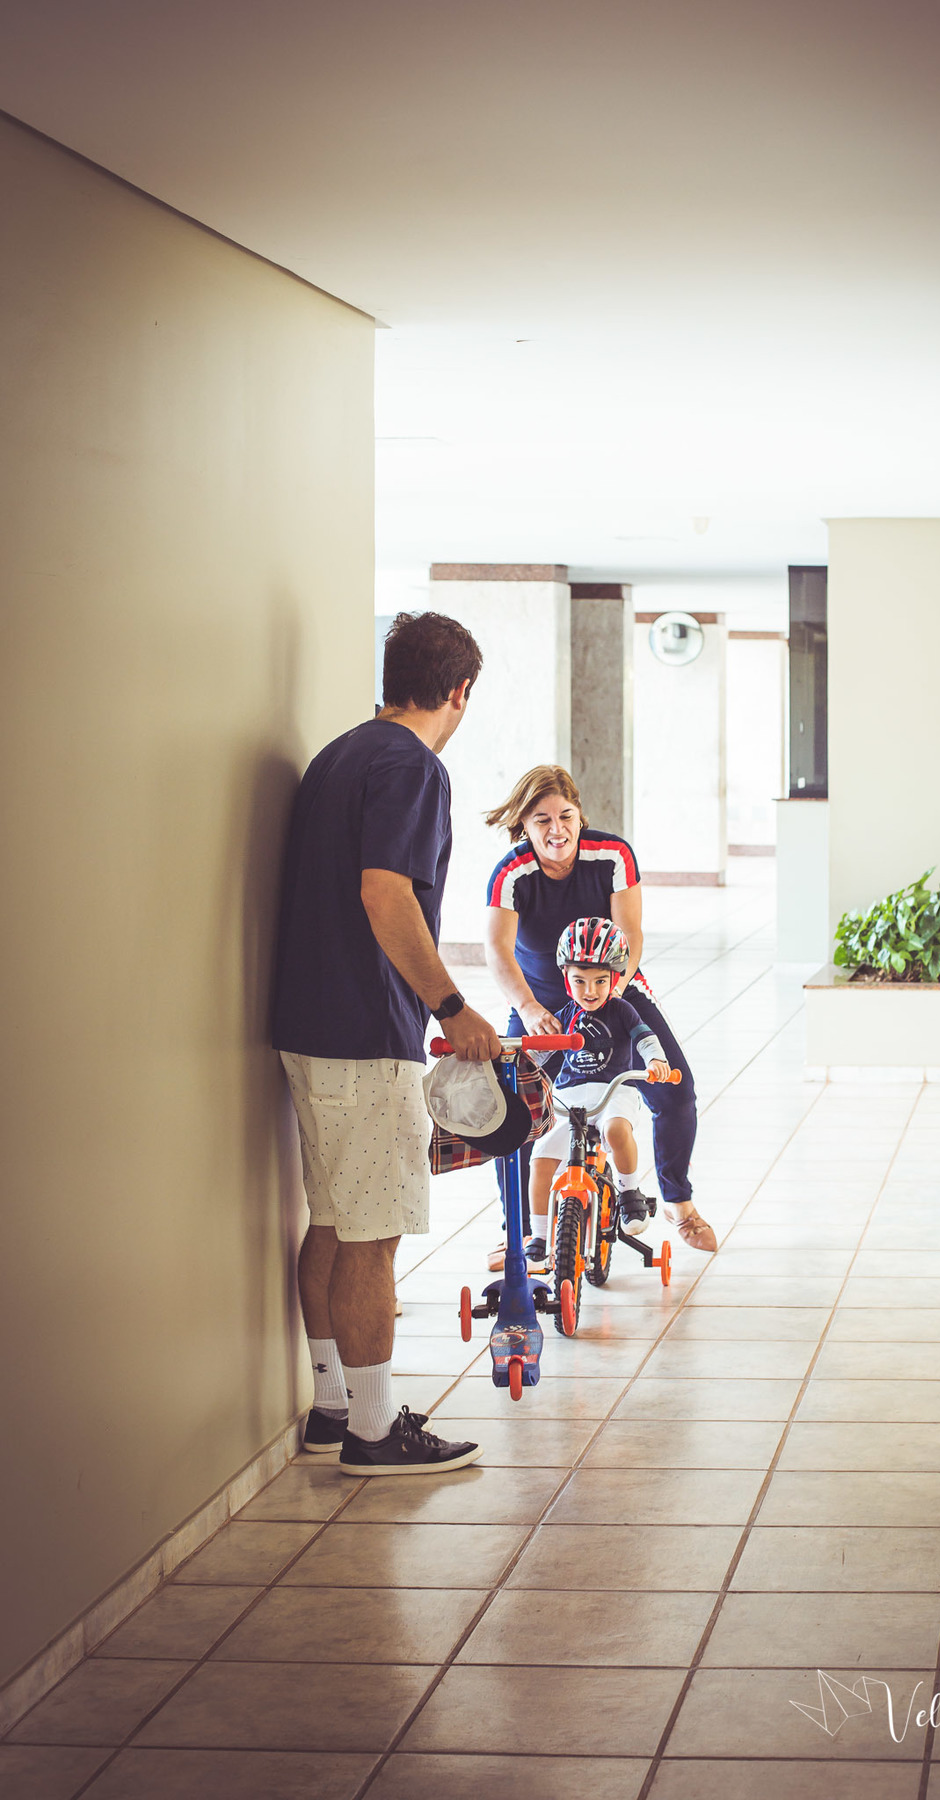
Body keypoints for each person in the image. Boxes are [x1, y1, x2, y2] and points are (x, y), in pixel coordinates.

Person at [272, 611, 501, 1477]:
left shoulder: (340, 754)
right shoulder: (413, 765)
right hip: (367, 1032)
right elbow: (385, 893)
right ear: (459, 691)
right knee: (373, 1236)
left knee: (334, 1221)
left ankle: (334, 1408)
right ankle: (374, 1433)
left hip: (309, 1026)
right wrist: (451, 1008)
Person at [482, 764, 717, 1264]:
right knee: (512, 1111)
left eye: (565, 816)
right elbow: (498, 953)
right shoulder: (511, 874)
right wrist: (528, 1008)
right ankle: (518, 1230)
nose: (557, 829)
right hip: (541, 1005)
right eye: (542, 820)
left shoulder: (612, 855)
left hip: (614, 989)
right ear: (524, 824)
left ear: (580, 815)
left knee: (676, 1091)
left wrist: (610, 998)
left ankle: (677, 1202)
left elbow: (630, 935)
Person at [525, 917, 668, 1269]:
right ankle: (539, 1235)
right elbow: (539, 1052)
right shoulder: (565, 1015)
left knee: (616, 1130)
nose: (590, 991)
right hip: (569, 1096)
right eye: (580, 981)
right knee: (540, 1159)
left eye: (600, 981)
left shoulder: (621, 1009)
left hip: (614, 1091)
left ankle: (630, 1191)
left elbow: (645, 1037)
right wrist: (518, 1065)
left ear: (614, 979)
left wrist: (656, 1060)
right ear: (566, 979)